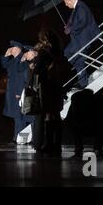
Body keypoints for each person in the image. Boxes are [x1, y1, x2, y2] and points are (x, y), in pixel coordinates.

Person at [32, 29, 71, 157]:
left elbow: (37, 70)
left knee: (48, 115)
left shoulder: (44, 52)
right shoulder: (59, 52)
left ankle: (49, 144)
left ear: (44, 39)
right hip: (58, 86)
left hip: (47, 87)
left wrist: (33, 66)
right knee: (57, 115)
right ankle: (57, 144)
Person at [63, 0, 100, 88]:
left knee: (76, 59)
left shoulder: (81, 7)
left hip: (85, 39)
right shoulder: (77, 8)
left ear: (71, 0)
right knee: (68, 54)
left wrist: (71, 29)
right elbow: (74, 21)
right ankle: (81, 79)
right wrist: (68, 26)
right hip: (78, 40)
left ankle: (82, 81)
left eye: (66, 3)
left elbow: (83, 22)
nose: (66, 5)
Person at [0, 42, 35, 145]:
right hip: (14, 92)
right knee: (19, 116)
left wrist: (19, 92)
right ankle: (19, 138)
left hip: (18, 92)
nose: (12, 50)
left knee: (22, 117)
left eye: (14, 48)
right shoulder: (15, 60)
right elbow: (5, 65)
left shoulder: (21, 61)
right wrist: (6, 55)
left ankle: (20, 138)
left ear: (19, 50)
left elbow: (22, 79)